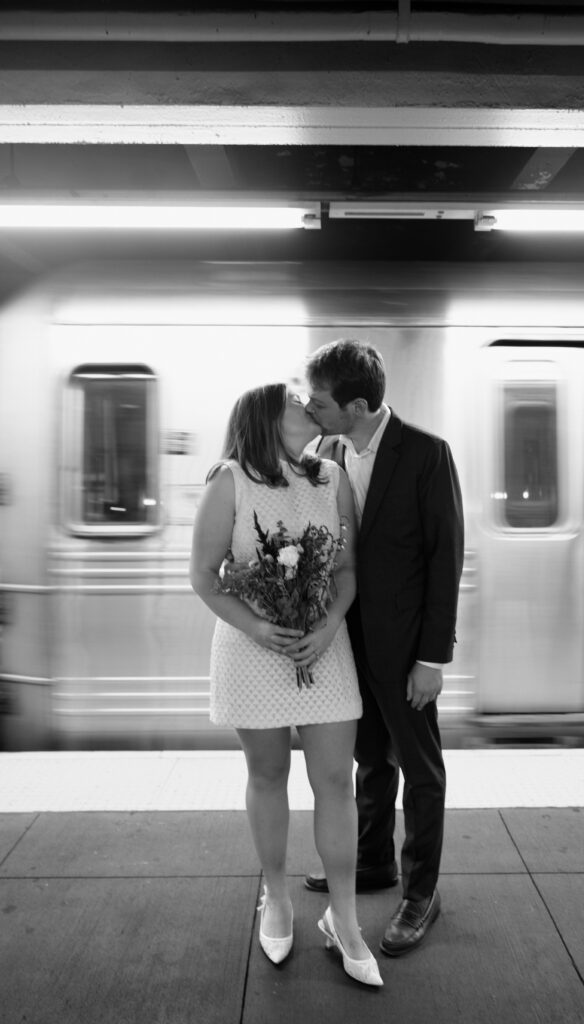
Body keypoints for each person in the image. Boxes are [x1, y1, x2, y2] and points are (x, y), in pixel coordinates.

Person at [190, 383, 382, 987]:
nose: (309, 404)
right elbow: (204, 576)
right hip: (253, 650)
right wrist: (261, 627)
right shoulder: (229, 480)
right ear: (265, 417)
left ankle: (343, 918)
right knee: (267, 775)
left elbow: (347, 569)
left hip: (323, 646)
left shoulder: (332, 476)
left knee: (335, 781)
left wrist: (325, 626)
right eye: (296, 399)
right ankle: (275, 896)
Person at [303, 340, 464, 957]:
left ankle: (422, 894)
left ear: (359, 404)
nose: (311, 412)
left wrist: (433, 658)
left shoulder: (426, 453)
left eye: (321, 403)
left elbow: (443, 558)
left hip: (405, 648)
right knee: (368, 755)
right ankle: (373, 860)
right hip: (349, 639)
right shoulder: (325, 449)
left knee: (421, 770)